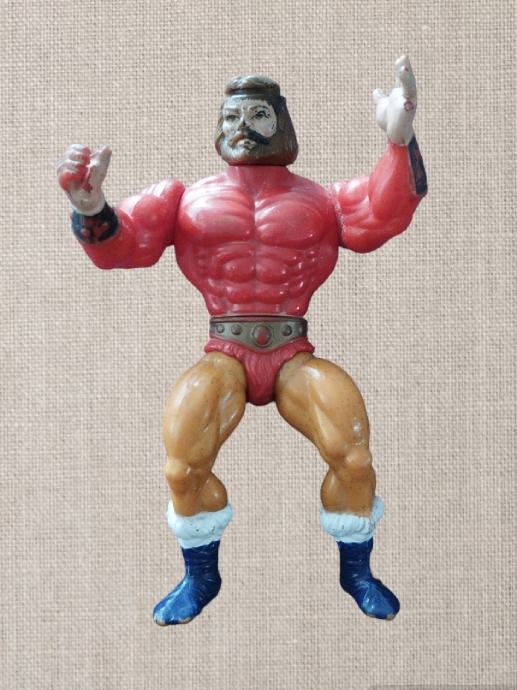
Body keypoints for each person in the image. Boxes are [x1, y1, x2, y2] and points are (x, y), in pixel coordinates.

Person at [57, 55, 427, 625]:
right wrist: (91, 209)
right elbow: (125, 246)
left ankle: (357, 571)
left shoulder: (319, 200)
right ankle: (200, 576)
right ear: (218, 123)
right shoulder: (184, 198)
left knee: (354, 459)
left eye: (258, 115)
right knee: (182, 468)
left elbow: (383, 213)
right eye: (233, 116)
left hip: (292, 350)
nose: (244, 127)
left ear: (281, 122)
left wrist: (399, 143)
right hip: (225, 350)